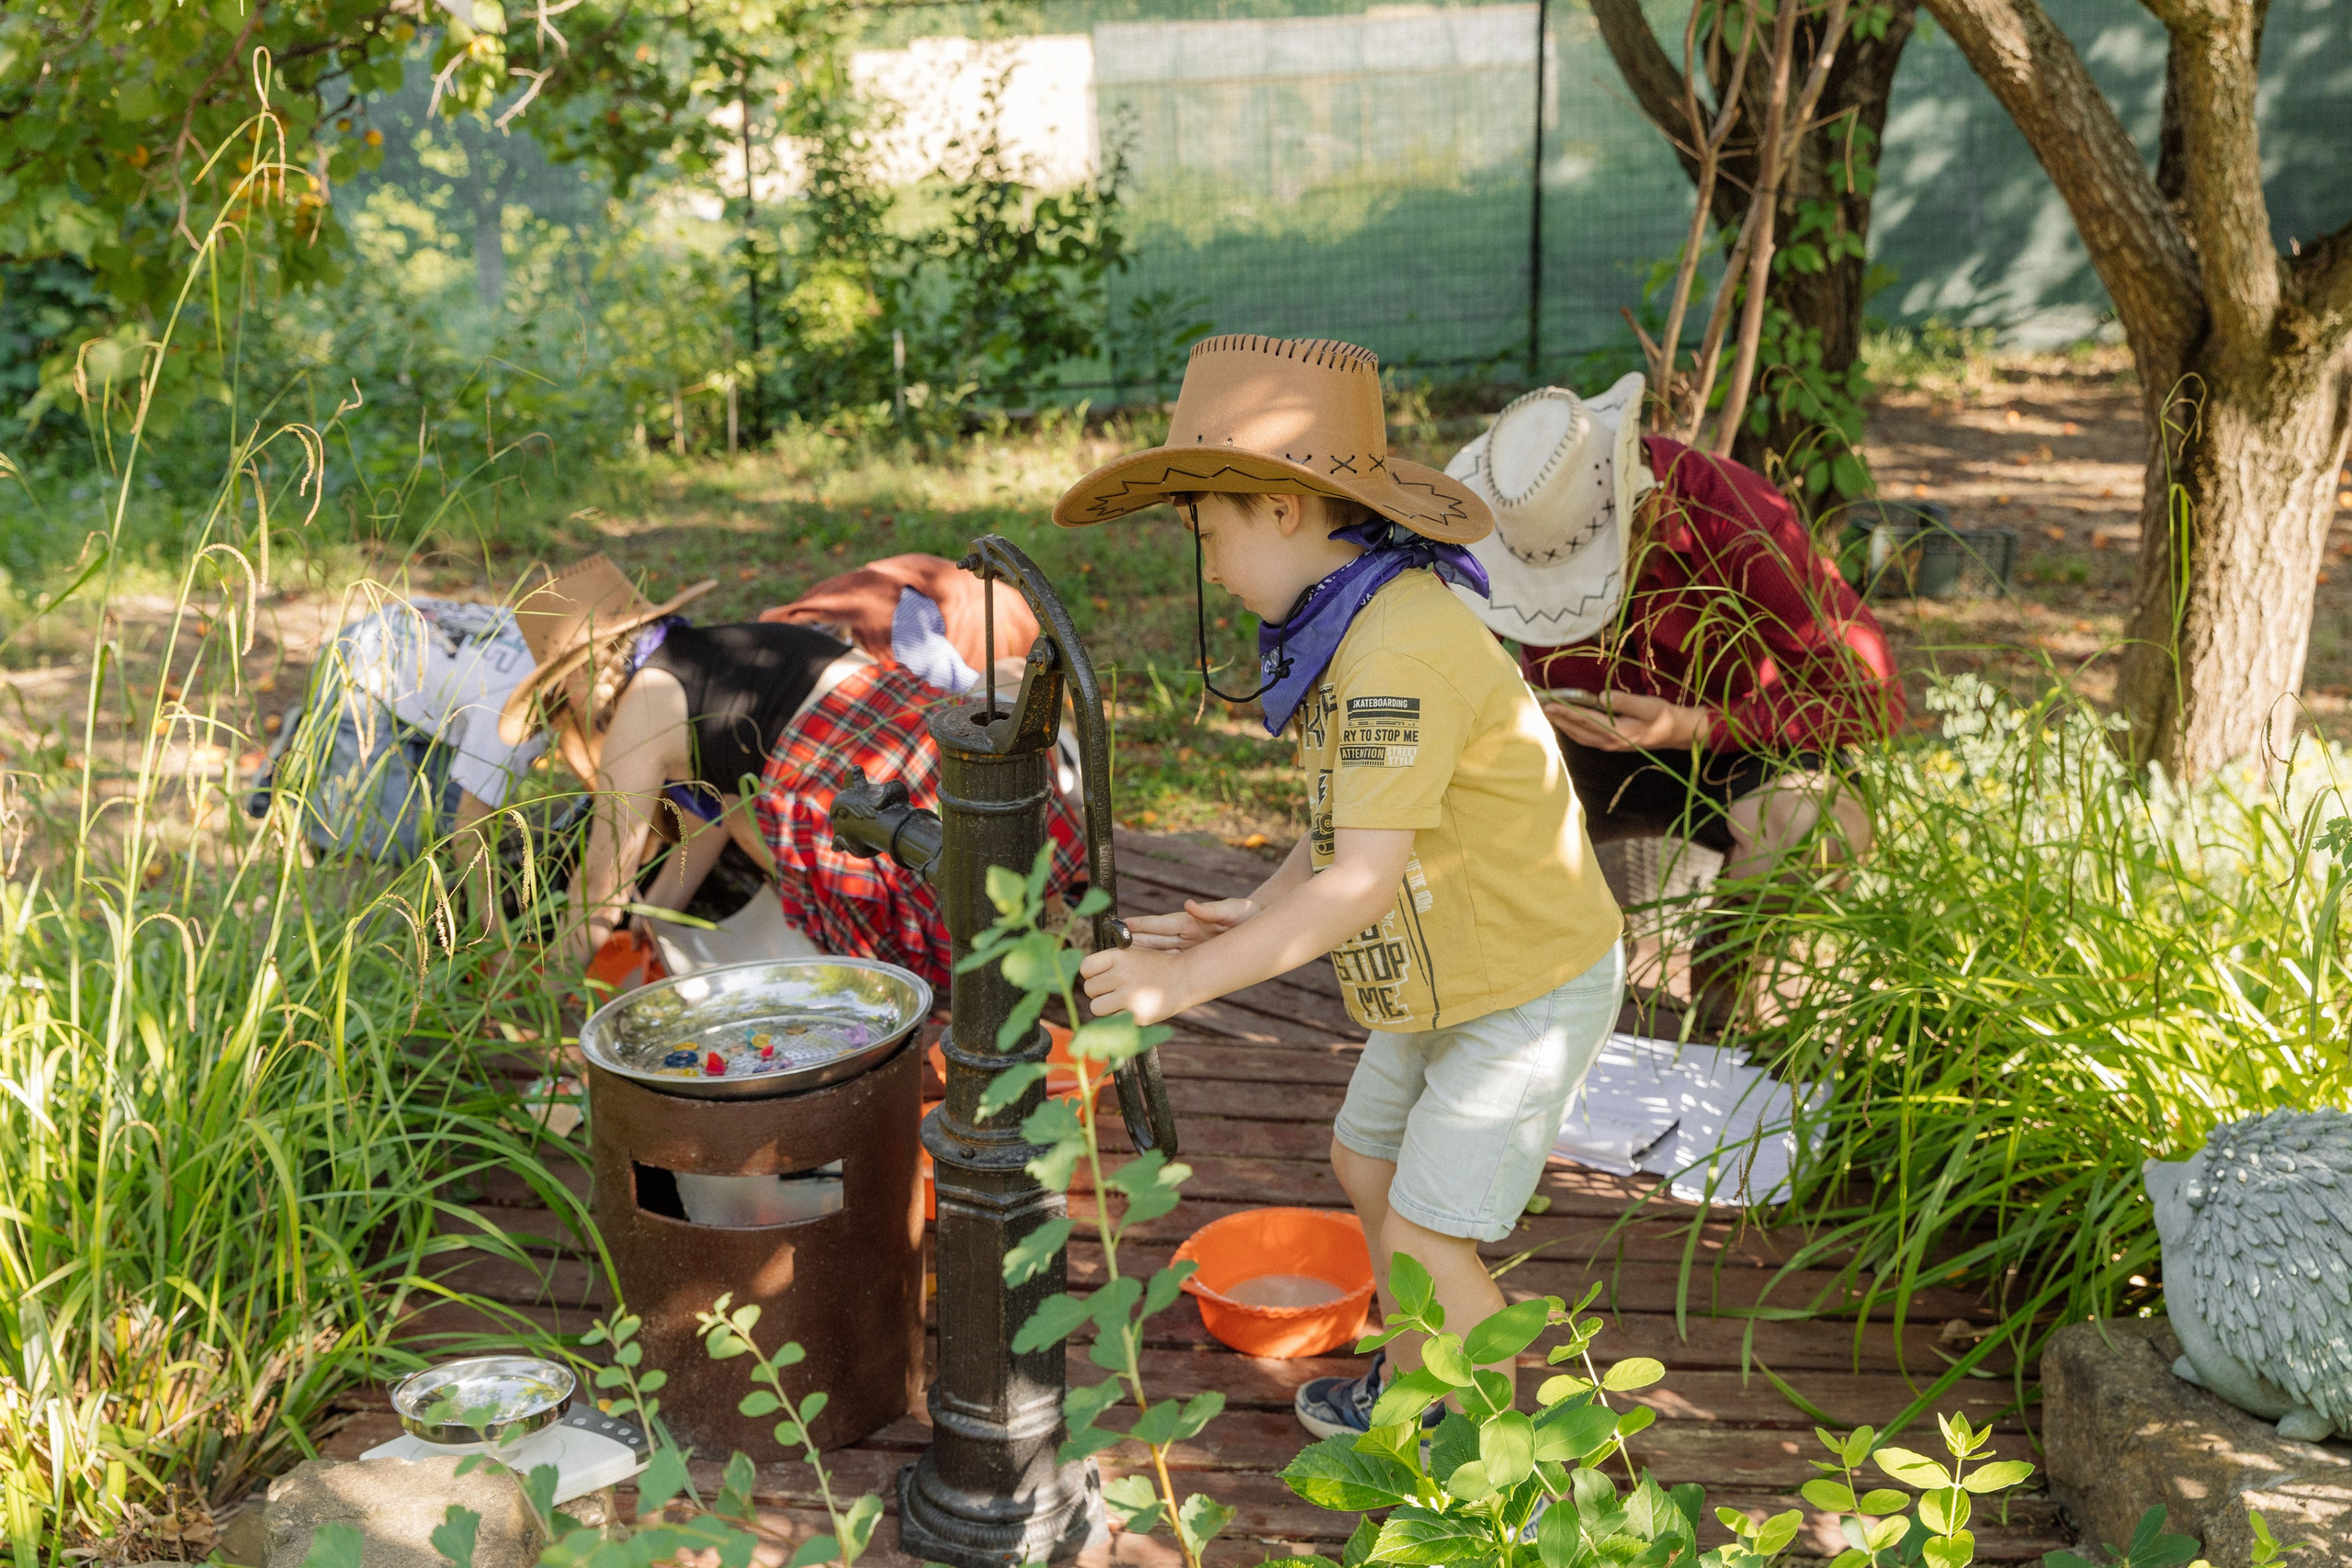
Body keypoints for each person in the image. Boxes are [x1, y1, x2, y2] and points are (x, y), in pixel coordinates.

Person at [1052, 334, 1624, 1439]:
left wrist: (1181, 982)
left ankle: (1486, 1458)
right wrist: (1263, 907)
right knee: (1364, 1160)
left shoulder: (1395, 654)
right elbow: (1351, 828)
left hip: (1520, 986)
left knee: (1425, 1236)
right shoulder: (1358, 616)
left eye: (1211, 533)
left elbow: (1360, 881)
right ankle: (1414, 1387)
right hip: (1440, 975)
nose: (1210, 566)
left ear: (1280, 511)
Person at [1445, 376, 1904, 1031]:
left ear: (1642, 509)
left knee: (1818, 823)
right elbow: (1454, 681)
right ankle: (1526, 1015)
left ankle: (1725, 997)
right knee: (1456, 794)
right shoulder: (1505, 526)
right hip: (1583, 753)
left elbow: (1876, 700)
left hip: (1742, 748)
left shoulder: (1739, 519)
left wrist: (1697, 726)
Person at [497, 554, 1083, 988]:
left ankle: (960, 975)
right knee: (954, 847)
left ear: (582, 677)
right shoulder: (723, 652)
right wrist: (653, 920)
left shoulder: (638, 710)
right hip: (918, 732)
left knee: (858, 851)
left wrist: (561, 986)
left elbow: (599, 889)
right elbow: (712, 825)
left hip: (853, 771)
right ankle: (1037, 924)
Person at [248, 592, 550, 915]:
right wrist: (491, 938)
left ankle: (319, 741)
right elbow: (469, 830)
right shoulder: (519, 714)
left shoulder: (556, 645)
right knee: (380, 844)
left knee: (437, 830)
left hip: (425, 673)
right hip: (363, 669)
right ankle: (315, 759)